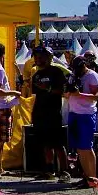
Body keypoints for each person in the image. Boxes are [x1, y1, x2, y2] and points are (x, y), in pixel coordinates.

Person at [28, 46, 71, 182]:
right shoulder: (36, 75)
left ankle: (65, 172)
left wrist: (49, 88)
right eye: (36, 57)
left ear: (49, 57)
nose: (38, 59)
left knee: (58, 144)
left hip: (53, 113)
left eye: (41, 57)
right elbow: (34, 93)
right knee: (45, 144)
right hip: (40, 113)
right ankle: (49, 171)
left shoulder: (56, 72)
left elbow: (62, 91)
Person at [0, 42, 21, 177]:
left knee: (0, 139)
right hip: (2, 107)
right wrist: (14, 93)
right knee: (0, 140)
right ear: (2, 55)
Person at [69, 57, 98, 188]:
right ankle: (86, 176)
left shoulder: (92, 76)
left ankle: (92, 177)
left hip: (86, 114)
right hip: (73, 112)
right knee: (79, 148)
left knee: (87, 147)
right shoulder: (73, 75)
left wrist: (80, 94)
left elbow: (96, 96)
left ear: (84, 66)